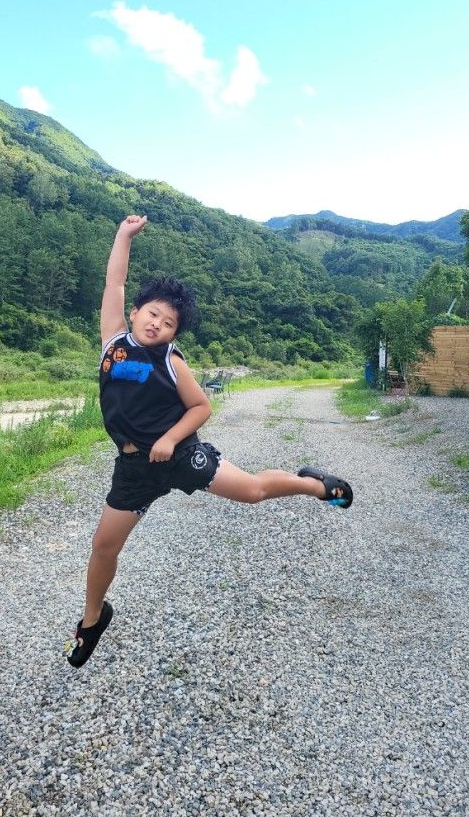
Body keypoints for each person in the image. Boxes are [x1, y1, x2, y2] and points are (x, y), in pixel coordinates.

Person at [65, 214, 353, 668]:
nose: (157, 324)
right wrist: (123, 236)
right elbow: (114, 285)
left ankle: (318, 485)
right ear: (137, 313)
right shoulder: (112, 343)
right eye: (152, 314)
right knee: (104, 547)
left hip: (179, 455)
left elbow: (201, 408)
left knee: (253, 492)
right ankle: (92, 620)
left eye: (169, 322)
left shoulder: (171, 362)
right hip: (134, 470)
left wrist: (170, 438)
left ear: (175, 332)